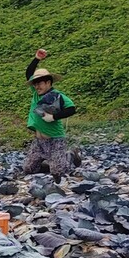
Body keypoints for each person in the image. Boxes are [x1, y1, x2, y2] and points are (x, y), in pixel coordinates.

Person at [23, 49, 78, 182]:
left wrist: (53, 117)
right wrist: (37, 58)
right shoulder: (36, 93)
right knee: (28, 169)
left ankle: (69, 156)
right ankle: (52, 162)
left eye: (40, 83)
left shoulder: (57, 96)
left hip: (55, 139)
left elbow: (71, 109)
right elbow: (29, 73)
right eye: (35, 83)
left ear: (48, 83)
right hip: (39, 141)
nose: (37, 86)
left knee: (59, 171)